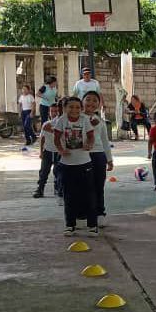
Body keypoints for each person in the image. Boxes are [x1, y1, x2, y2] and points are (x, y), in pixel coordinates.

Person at [53, 96, 97, 237]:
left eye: (77, 107)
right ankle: (70, 225)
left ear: (81, 109)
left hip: (84, 164)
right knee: (69, 196)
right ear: (65, 108)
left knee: (88, 195)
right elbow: (56, 137)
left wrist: (89, 144)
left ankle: (92, 225)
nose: (74, 110)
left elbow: (91, 136)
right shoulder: (61, 120)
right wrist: (61, 150)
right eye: (71, 107)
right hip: (66, 165)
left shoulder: (84, 120)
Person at [83, 91, 114, 224]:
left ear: (99, 104)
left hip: (99, 155)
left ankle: (100, 212)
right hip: (83, 156)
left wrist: (109, 159)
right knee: (84, 186)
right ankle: (82, 214)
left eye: (95, 100)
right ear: (82, 101)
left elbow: (105, 140)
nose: (91, 103)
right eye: (88, 99)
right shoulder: (77, 118)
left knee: (98, 186)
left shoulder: (100, 121)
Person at [34, 101, 62, 200]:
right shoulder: (46, 124)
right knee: (44, 171)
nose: (54, 113)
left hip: (59, 152)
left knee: (58, 171)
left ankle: (58, 188)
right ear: (49, 112)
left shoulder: (61, 122)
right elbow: (42, 139)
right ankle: (40, 189)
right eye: (52, 111)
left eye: (56, 111)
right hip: (48, 151)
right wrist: (41, 151)